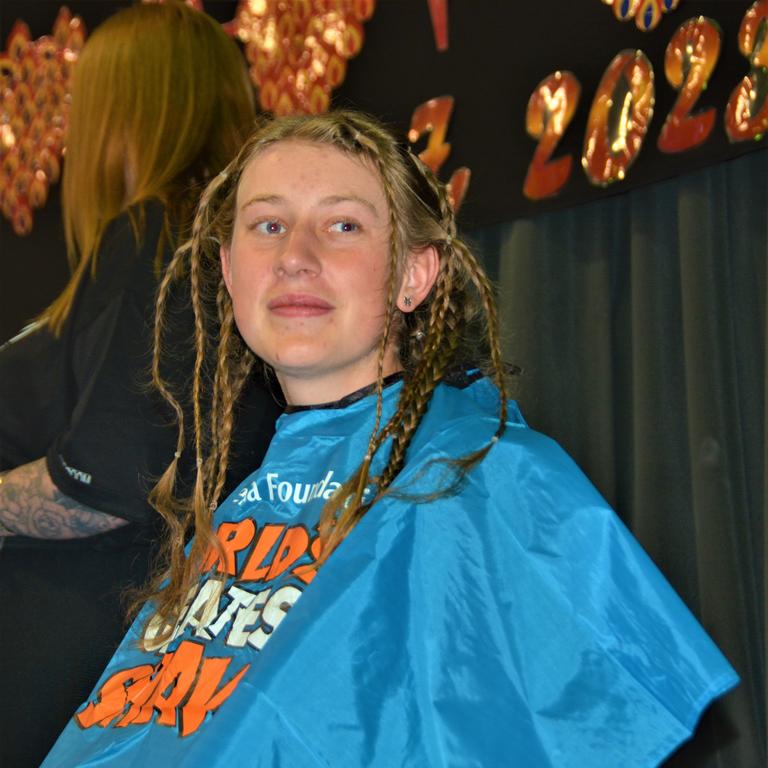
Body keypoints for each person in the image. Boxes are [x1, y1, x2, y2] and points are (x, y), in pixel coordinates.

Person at [43, 110, 737, 767]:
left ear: (414, 274)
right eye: (268, 225)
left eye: (342, 225)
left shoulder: (486, 482)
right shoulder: (250, 497)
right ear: (228, 273)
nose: (295, 257)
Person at [0, 4, 281, 766]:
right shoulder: (218, 242)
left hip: (82, 651)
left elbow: (105, 481)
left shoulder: (158, 233)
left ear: (124, 109)